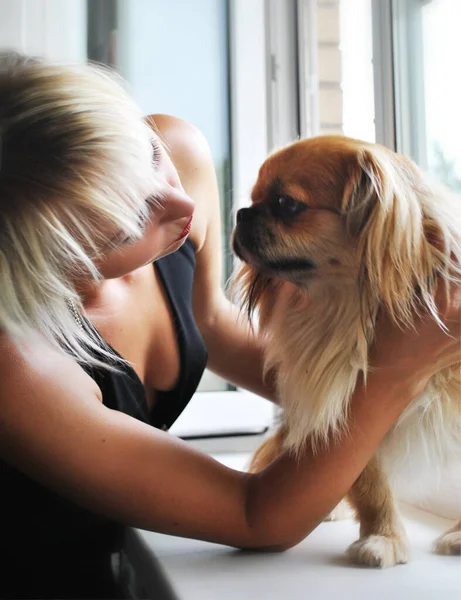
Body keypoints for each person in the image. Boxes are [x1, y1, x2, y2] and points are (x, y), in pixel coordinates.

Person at [0, 52, 459, 599]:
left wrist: (400, 384)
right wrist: (392, 371)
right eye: (128, 222)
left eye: (147, 156)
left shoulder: (180, 151)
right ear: (52, 264)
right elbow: (255, 516)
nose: (179, 200)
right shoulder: (17, 373)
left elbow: (209, 324)